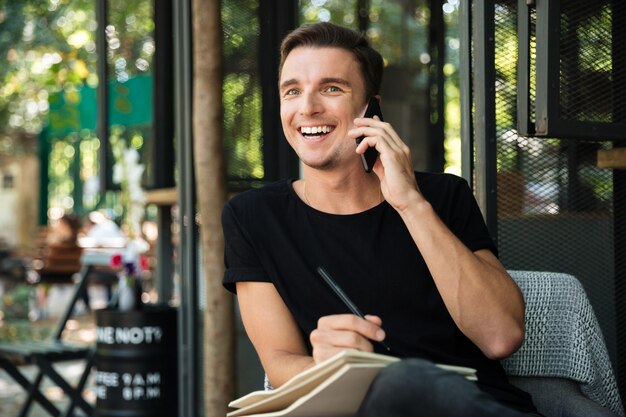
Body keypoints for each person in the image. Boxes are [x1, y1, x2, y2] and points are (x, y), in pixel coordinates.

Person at [222, 22, 541, 416]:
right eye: (293, 91)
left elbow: (501, 336)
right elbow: (280, 360)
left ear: (370, 108)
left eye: (331, 88)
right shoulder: (253, 217)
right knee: (396, 385)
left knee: (410, 381)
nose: (307, 107)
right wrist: (328, 366)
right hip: (362, 407)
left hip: (473, 405)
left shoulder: (443, 196)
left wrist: (410, 203)